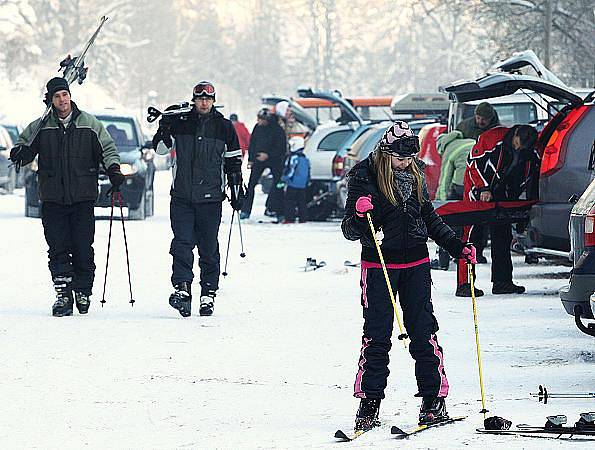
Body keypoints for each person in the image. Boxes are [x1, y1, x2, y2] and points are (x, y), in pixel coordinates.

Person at [341, 121, 476, 431]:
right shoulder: (363, 177)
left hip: (415, 264)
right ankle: (369, 402)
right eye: (400, 159)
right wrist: (360, 215)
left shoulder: (414, 175)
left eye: (410, 159)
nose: (405, 163)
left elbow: (428, 217)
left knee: (423, 332)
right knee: (377, 335)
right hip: (379, 267)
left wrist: (457, 246)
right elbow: (350, 230)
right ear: (386, 153)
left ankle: (433, 400)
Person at [9, 77, 122, 317]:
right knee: (58, 247)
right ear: (50, 100)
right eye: (57, 96)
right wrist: (21, 153)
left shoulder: (89, 123)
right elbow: (23, 148)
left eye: (65, 95)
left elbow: (108, 149)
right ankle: (63, 294)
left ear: (70, 96)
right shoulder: (40, 126)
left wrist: (114, 170)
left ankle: (82, 291)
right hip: (52, 197)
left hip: (83, 196)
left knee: (83, 247)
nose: (62, 100)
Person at [152, 80, 243, 317]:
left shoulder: (224, 127)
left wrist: (236, 188)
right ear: (194, 100)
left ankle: (208, 293)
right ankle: (182, 289)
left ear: (213, 101)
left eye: (208, 99)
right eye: (200, 98)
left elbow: (233, 160)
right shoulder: (181, 122)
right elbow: (161, 150)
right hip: (182, 196)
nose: (203, 102)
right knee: (182, 244)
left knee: (208, 247)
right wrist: (164, 126)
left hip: (211, 198)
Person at [460, 124, 539, 295]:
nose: (519, 147)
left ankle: (502, 282)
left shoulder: (528, 153)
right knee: (471, 235)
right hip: (477, 191)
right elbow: (472, 164)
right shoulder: (491, 139)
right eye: (519, 143)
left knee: (503, 236)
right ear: (515, 134)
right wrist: (483, 188)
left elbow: (528, 175)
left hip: (503, 196)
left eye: (523, 146)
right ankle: (465, 284)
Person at [431, 130, 475, 271]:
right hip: (478, 182)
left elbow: (444, 181)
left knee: (451, 222)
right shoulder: (468, 140)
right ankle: (475, 254)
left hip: (461, 185)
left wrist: (441, 205)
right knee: (473, 219)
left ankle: (444, 259)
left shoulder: (449, 150)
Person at [240, 108, 287, 220]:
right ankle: (245, 210)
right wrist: (251, 159)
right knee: (251, 185)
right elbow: (252, 143)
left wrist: (268, 155)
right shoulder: (257, 128)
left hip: (274, 161)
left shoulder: (278, 130)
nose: (259, 122)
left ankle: (278, 211)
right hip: (258, 159)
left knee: (278, 184)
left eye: (260, 120)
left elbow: (281, 148)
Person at [281, 136, 310, 223]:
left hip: (293, 183)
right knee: (301, 201)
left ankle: (289, 218)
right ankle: (303, 218)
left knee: (289, 201)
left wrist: (284, 178)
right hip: (302, 184)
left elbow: (291, 170)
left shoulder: (293, 158)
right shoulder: (305, 158)